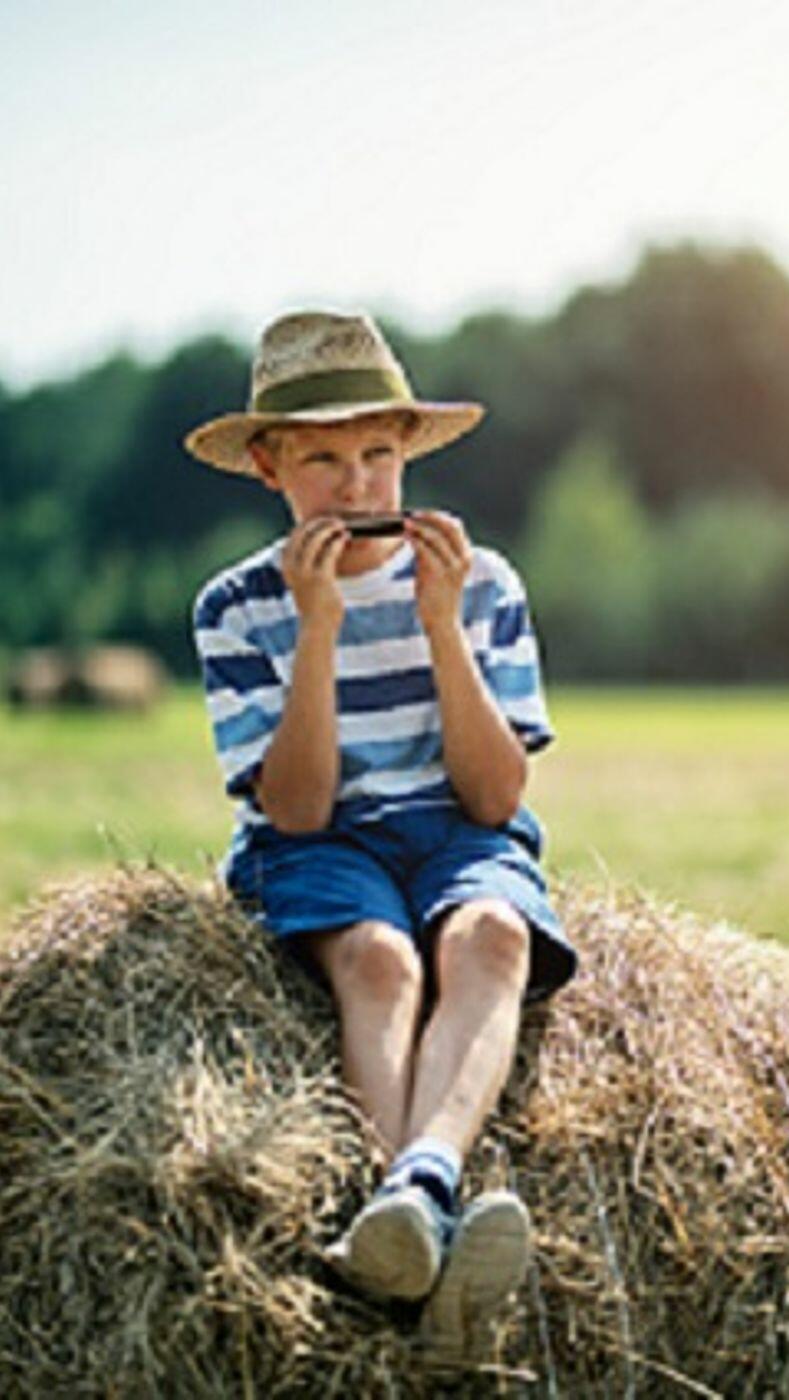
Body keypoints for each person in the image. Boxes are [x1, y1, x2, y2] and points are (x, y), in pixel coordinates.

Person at [184, 309, 577, 1360]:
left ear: (407, 454)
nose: (358, 487)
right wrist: (317, 629)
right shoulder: (236, 609)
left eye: (378, 456)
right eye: (323, 460)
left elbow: (493, 799)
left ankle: (418, 1187)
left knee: (492, 936)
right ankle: (410, 1230)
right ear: (269, 466)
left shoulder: (482, 583)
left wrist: (441, 625)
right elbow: (297, 809)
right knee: (381, 961)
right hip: (318, 842)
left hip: (453, 825)